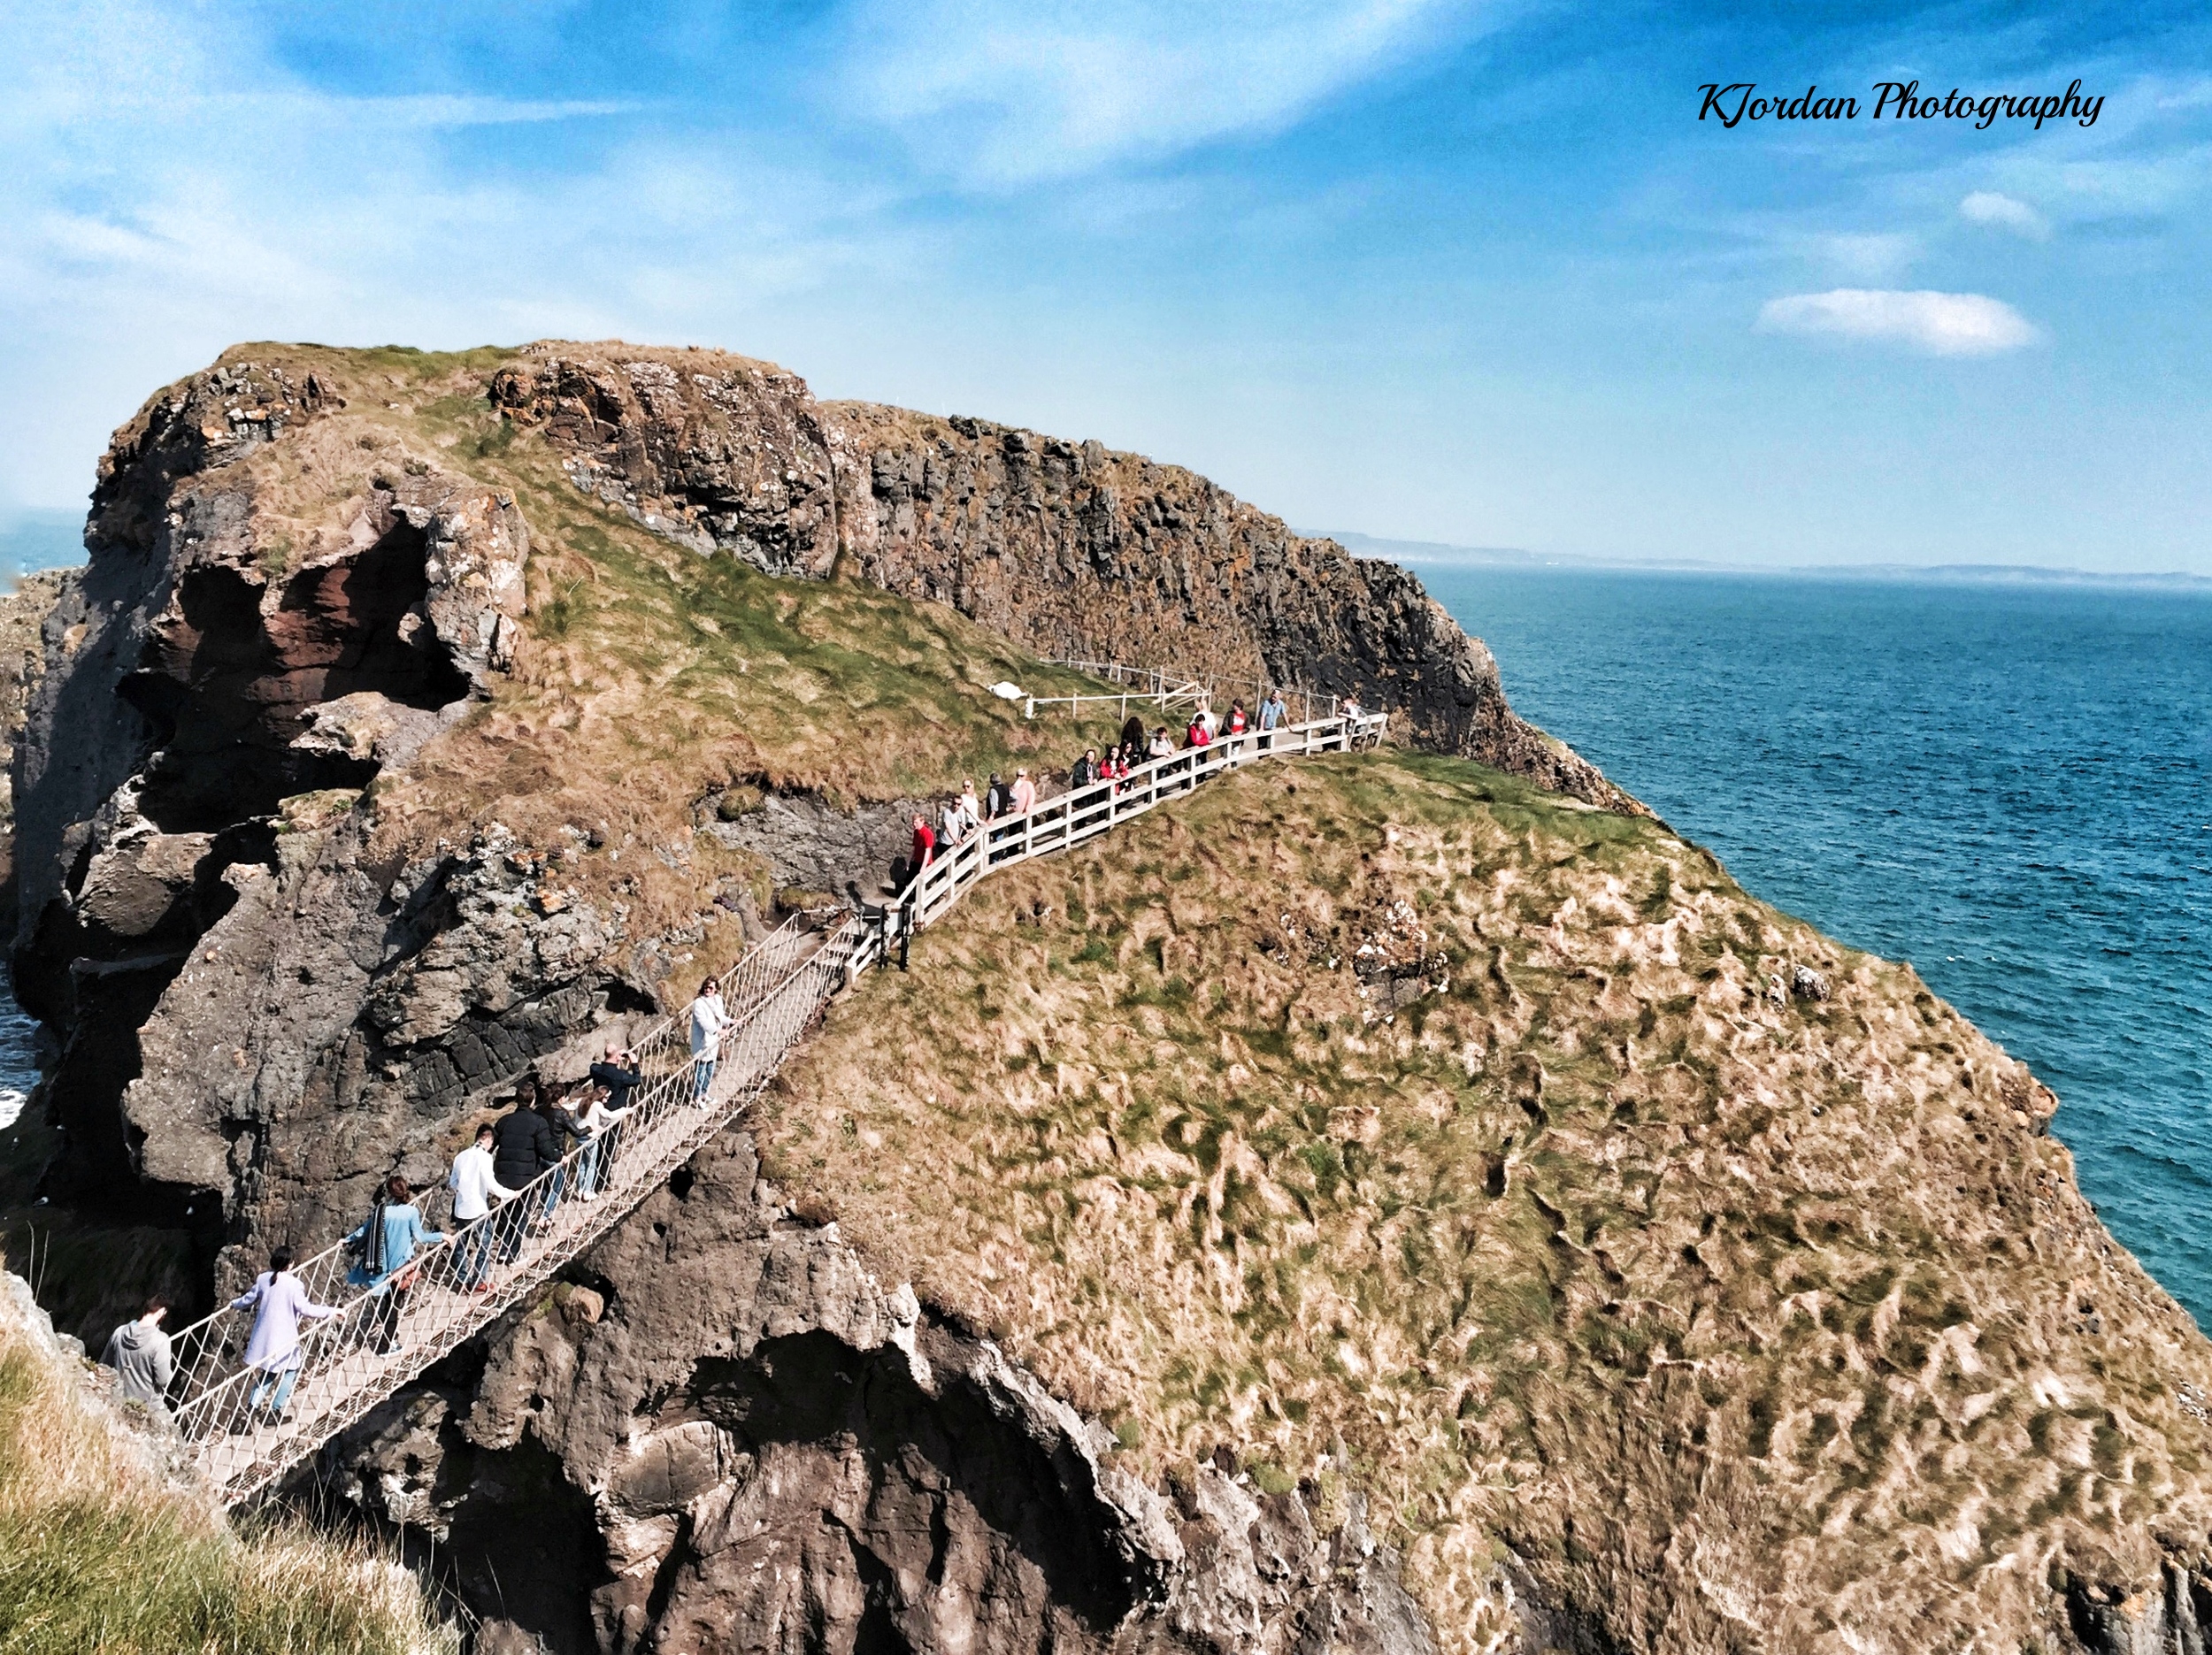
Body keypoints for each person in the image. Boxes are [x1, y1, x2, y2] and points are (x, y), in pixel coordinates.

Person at [230, 1247, 337, 1421]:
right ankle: (274, 1412)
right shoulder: (294, 1284)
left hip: (263, 1338)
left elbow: (247, 1300)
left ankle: (249, 1412)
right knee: (290, 1371)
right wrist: (330, 1312)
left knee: (267, 1374)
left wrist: (234, 1304)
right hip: (285, 1338)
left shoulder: (263, 1279)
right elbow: (305, 1309)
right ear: (290, 1264)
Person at [348, 1176, 444, 1355]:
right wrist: (442, 1236)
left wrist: (346, 1240)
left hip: (379, 1267)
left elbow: (363, 1231)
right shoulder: (410, 1212)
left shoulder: (380, 1212)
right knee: (393, 1306)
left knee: (385, 1305)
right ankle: (387, 1345)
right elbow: (420, 1237)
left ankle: (389, 1337)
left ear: (389, 1192)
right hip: (400, 1268)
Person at [448, 1123, 518, 1292]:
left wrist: (465, 1190)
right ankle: (478, 1280)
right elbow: (491, 1184)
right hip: (477, 1209)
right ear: (487, 1138)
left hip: (461, 1210)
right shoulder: (484, 1157)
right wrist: (510, 1194)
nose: (491, 1146)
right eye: (491, 1141)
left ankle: (462, 1279)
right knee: (484, 1246)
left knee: (461, 1246)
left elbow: (453, 1183)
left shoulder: (461, 1157)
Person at [493, 1092, 562, 1260]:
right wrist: (560, 1157)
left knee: (507, 1213)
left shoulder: (504, 1121)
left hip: (502, 1176)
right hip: (525, 1177)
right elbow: (546, 1150)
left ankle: (503, 1250)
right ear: (532, 1101)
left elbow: (491, 1144)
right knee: (520, 1215)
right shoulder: (538, 1122)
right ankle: (513, 1254)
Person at [100, 1296, 173, 1416]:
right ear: (161, 1312)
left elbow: (104, 1366)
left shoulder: (119, 1332)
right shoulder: (160, 1341)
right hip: (150, 1408)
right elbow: (162, 1380)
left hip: (121, 1401)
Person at [571, 1085, 639, 1201]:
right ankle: (588, 1192)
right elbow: (609, 1115)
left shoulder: (582, 1101)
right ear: (601, 1096)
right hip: (591, 1139)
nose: (606, 1100)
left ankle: (580, 1189)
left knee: (582, 1164)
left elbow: (569, 1106)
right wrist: (625, 1110)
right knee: (591, 1165)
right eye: (606, 1098)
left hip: (579, 1138)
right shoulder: (597, 1105)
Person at [689, 976, 732, 1102]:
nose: (708, 990)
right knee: (700, 1071)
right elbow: (703, 1022)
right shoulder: (698, 1003)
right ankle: (696, 1097)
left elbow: (720, 1017)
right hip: (702, 1043)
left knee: (710, 1070)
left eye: (711, 988)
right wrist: (719, 1030)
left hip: (714, 1042)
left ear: (716, 990)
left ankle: (704, 1094)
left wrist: (731, 1021)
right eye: (706, 987)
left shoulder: (717, 1000)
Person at [910, 813, 937, 878]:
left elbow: (928, 851)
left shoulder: (927, 833)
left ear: (922, 821)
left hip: (925, 863)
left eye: (916, 822)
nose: (914, 824)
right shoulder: (916, 832)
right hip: (917, 860)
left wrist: (923, 867)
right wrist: (908, 861)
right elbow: (914, 847)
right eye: (913, 822)